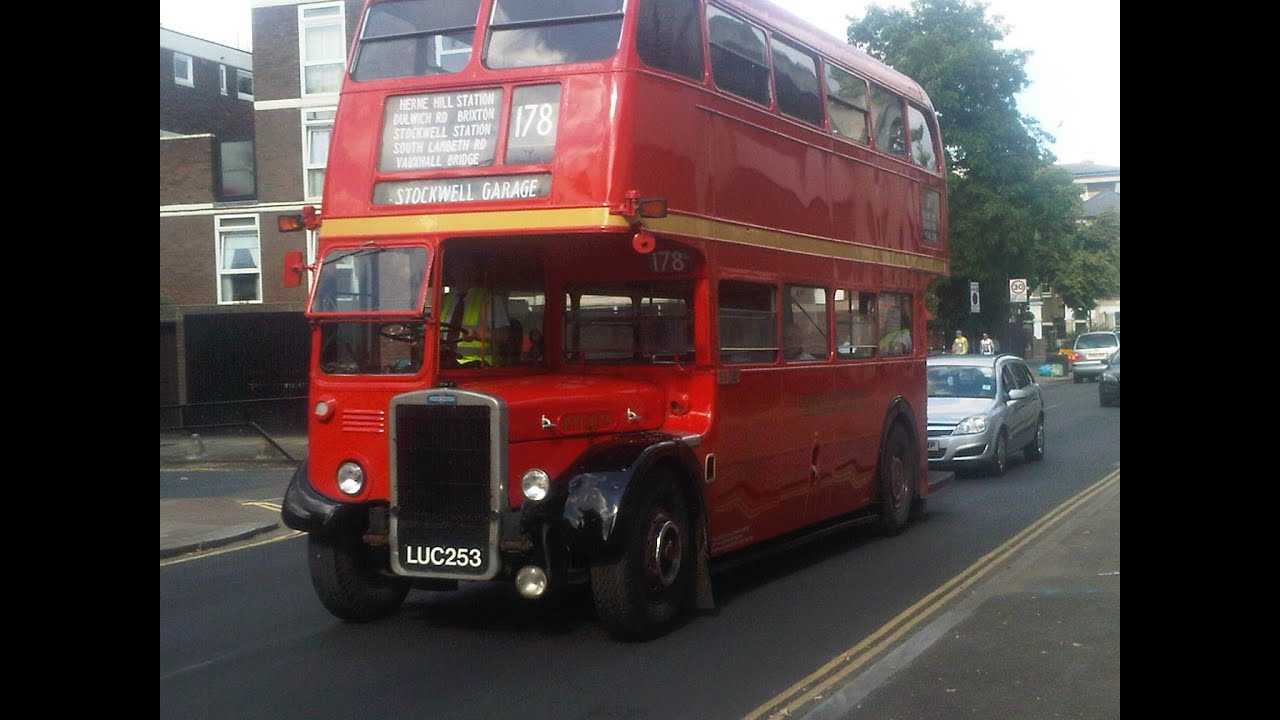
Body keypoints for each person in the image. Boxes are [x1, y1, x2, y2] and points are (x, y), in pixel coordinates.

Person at [439, 257, 509, 367]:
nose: (464, 273)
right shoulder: (443, 300)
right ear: (452, 271)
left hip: (478, 366)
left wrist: (477, 334)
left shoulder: (490, 299)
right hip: (443, 364)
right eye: (459, 268)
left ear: (476, 272)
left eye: (469, 268)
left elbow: (503, 335)